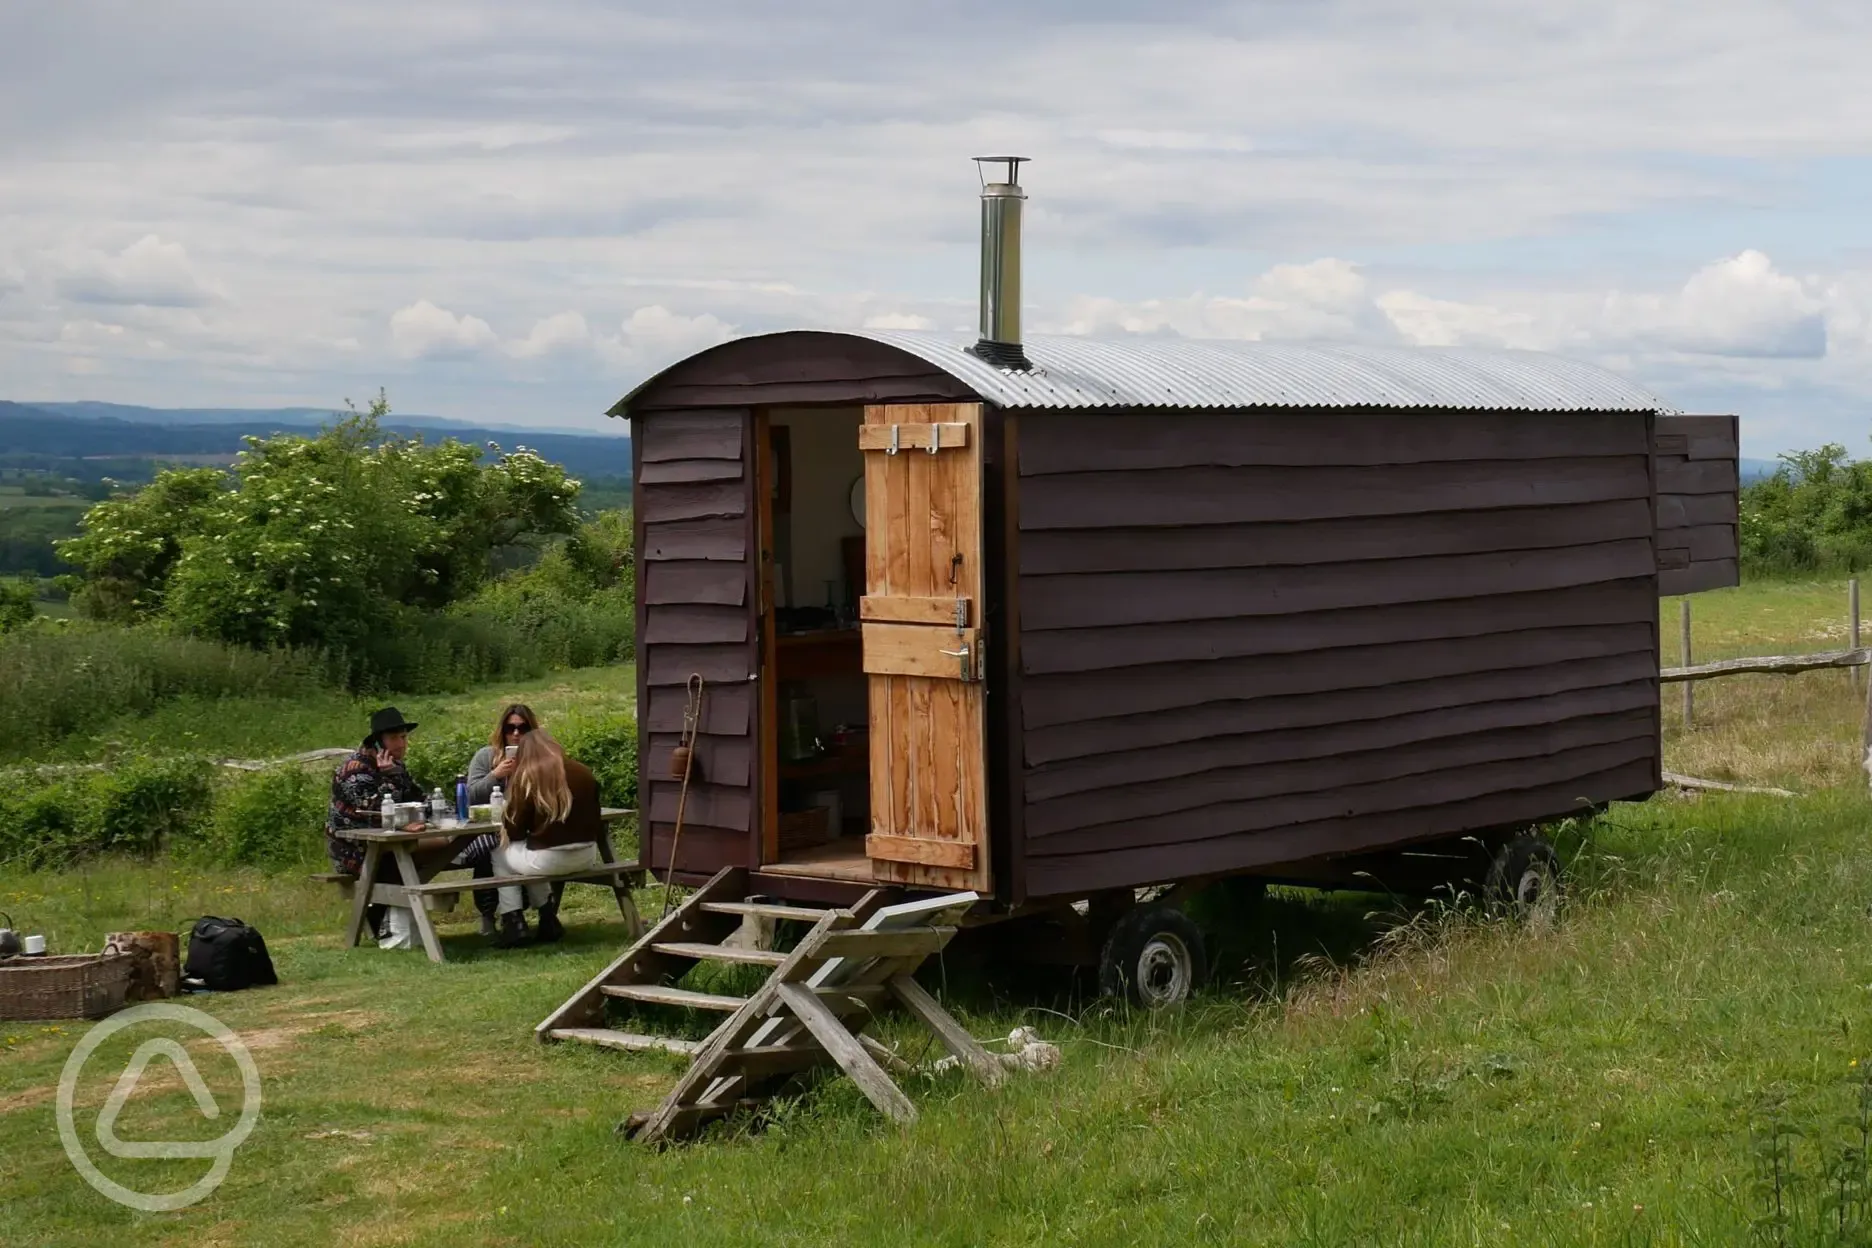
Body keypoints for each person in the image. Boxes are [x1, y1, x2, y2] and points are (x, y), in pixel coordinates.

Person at [327, 706, 434, 941]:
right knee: (403, 861)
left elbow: (420, 801)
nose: (402, 743)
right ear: (377, 743)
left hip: (390, 843)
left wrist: (398, 777)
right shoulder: (355, 770)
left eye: (404, 737)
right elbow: (375, 809)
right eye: (395, 737)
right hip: (353, 850)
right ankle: (387, 926)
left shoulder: (395, 766)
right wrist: (388, 779)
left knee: (443, 846)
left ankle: (398, 924)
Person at [489, 727, 602, 948]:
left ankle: (514, 922)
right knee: (530, 859)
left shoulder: (528, 777)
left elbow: (515, 831)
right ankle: (548, 917)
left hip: (548, 859)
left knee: (500, 854)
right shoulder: (583, 771)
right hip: (587, 854)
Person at [448, 703, 543, 939]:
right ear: (502, 730)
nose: (516, 734)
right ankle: (491, 914)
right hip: (487, 830)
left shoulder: (541, 760)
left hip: (525, 829)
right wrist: (496, 775)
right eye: (510, 728)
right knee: (492, 847)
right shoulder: (486, 756)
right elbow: (469, 795)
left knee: (524, 846)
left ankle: (525, 915)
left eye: (523, 729)